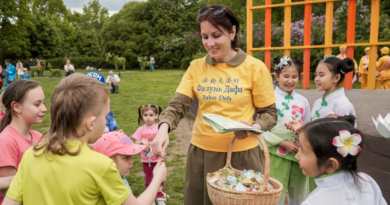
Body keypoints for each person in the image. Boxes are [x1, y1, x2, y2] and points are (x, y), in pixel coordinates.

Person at [149, 5, 277, 205]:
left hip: (242, 155)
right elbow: (178, 105)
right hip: (202, 153)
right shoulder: (196, 67)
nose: (209, 43)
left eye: (216, 35)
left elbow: (269, 113)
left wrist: (254, 127)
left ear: (233, 31)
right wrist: (163, 128)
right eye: (204, 36)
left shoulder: (255, 68)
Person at [2, 74, 167, 205]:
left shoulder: (31, 155)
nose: (106, 120)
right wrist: (157, 178)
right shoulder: (101, 165)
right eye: (105, 115)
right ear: (91, 123)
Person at [286, 55, 357, 190]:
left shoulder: (342, 105)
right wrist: (303, 127)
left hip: (331, 164)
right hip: (317, 160)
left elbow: (347, 140)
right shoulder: (319, 102)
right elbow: (318, 130)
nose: (316, 79)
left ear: (336, 78)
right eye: (316, 75)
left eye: (321, 75)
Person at [296, 118, 387, 205]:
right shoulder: (368, 182)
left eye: (303, 151)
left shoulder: (313, 202)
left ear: (330, 165)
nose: (297, 156)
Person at [261, 56, 310, 205]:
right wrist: (282, 143)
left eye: (294, 77)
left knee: (300, 193)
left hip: (299, 154)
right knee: (275, 193)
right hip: (276, 153)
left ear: (299, 77)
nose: (290, 80)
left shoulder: (303, 101)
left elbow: (308, 126)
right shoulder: (268, 99)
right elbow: (259, 129)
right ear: (276, 76)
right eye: (286, 76)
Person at [0, 80, 46, 204]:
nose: (45, 109)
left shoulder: (39, 137)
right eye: (37, 104)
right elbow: (9, 194)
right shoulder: (6, 141)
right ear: (16, 107)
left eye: (44, 103)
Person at [133, 104, 165, 205]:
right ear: (142, 116)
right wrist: (142, 141)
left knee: (159, 178)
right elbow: (135, 142)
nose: (148, 117)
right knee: (148, 179)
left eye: (151, 115)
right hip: (147, 161)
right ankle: (150, 199)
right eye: (145, 115)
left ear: (156, 116)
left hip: (158, 159)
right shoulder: (141, 129)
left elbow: (163, 140)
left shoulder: (159, 128)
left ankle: (160, 198)